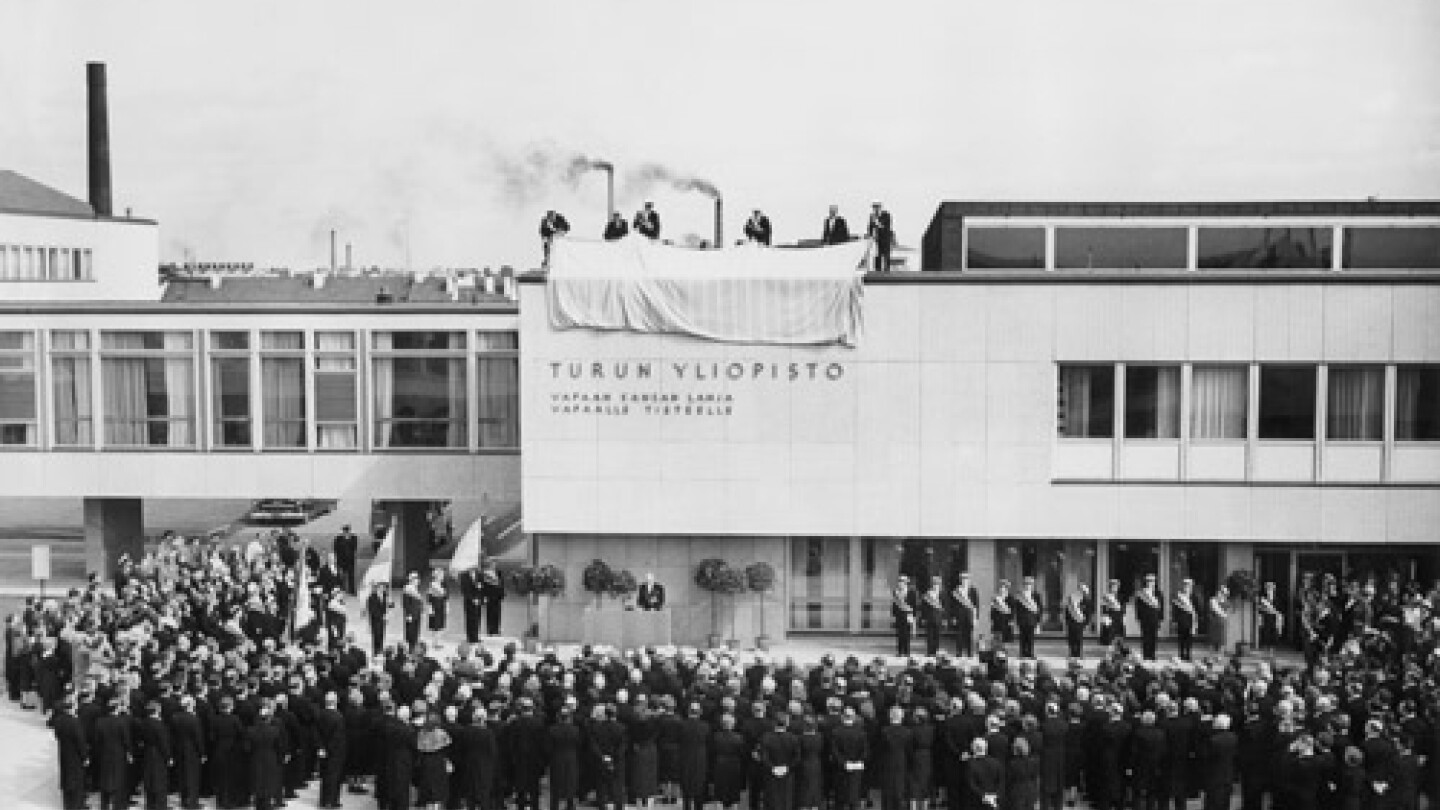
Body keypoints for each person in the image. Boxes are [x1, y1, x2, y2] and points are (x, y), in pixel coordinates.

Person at [50, 696, 89, 810]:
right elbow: (80, 741)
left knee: (66, 779)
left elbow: (57, 735)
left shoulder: (58, 720)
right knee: (77, 781)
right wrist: (85, 756)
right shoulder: (75, 722)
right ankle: (77, 805)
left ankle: (67, 805)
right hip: (75, 756)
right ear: (72, 707)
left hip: (63, 752)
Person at [1012, 576, 1043, 659]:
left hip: (1032, 620)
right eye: (1026, 583)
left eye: (1030, 584)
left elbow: (1039, 609)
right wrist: (1016, 620)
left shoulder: (1036, 595)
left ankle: (1030, 653)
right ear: (1023, 585)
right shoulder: (1019, 595)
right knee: (1022, 637)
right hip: (1022, 619)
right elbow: (1016, 609)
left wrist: (1038, 621)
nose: (1028, 585)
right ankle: (1022, 653)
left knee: (1030, 638)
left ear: (1032, 585)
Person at [950, 572, 980, 658]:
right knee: (959, 635)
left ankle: (970, 653)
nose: (964, 581)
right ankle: (958, 653)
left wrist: (976, 618)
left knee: (969, 635)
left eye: (966, 579)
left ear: (968, 580)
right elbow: (953, 605)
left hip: (970, 616)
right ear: (960, 580)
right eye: (963, 579)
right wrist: (953, 616)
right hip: (959, 616)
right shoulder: (956, 591)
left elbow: (976, 605)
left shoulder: (973, 590)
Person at [1136, 573, 1165, 661]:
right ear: (1146, 582)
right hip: (1145, 619)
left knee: (1153, 637)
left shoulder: (1158, 593)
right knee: (1145, 637)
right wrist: (1139, 618)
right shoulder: (1141, 593)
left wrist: (1160, 618)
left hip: (1154, 619)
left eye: (1152, 581)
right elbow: (1138, 607)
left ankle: (1152, 655)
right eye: (1148, 581)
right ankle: (1145, 655)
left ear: (1155, 582)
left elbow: (1161, 607)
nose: (1150, 583)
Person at [1173, 579, 1199, 662]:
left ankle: (1188, 655)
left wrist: (1196, 621)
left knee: (1189, 639)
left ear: (1191, 587)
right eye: (1185, 586)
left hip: (1190, 621)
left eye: (1189, 586)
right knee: (1181, 639)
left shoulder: (1194, 597)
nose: (1187, 587)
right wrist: (1175, 620)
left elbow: (1198, 609)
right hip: (1181, 621)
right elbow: (1175, 610)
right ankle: (1181, 654)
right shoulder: (1179, 597)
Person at [920, 576, 946, 656]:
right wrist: (923, 618)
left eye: (937, 584)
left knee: (937, 636)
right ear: (932, 584)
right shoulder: (927, 594)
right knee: (929, 636)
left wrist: (944, 619)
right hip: (929, 618)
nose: (935, 585)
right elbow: (923, 607)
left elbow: (945, 608)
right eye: (934, 584)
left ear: (940, 585)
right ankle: (929, 652)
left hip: (939, 618)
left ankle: (936, 652)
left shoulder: (942, 594)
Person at [892, 576, 918, 656]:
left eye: (902, 582)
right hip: (899, 616)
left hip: (908, 615)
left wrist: (913, 617)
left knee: (907, 634)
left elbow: (914, 606)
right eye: (899, 582)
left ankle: (907, 652)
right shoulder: (896, 592)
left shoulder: (911, 593)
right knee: (899, 634)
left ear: (906, 583)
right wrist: (893, 614)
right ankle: (900, 652)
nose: (900, 583)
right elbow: (894, 605)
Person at [1063, 585, 1090, 659]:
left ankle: (1078, 654)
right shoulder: (1071, 599)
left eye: (1084, 591)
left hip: (1080, 622)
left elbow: (1088, 613)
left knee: (1079, 639)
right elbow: (1067, 612)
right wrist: (1067, 622)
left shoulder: (1086, 601)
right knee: (1071, 639)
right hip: (1071, 622)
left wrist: (1086, 623)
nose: (1083, 592)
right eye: (1081, 590)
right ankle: (1071, 653)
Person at [460, 563, 485, 643]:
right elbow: (464, 590)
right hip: (469, 601)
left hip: (478, 600)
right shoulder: (463, 576)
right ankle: (470, 637)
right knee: (469, 619)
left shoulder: (479, 575)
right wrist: (472, 599)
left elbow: (482, 587)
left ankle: (476, 636)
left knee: (477, 618)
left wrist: (482, 598)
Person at [366, 580, 392, 656]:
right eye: (381, 587)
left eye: (383, 587)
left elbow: (389, 606)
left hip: (382, 621)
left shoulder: (385, 596)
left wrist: (390, 603)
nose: (383, 589)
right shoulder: (371, 597)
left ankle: (380, 651)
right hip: (376, 621)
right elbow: (372, 611)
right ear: (377, 588)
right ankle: (375, 653)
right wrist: (382, 616)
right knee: (376, 637)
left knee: (381, 636)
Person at [867, 202, 895, 271]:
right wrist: (870, 235)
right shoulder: (872, 216)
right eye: (874, 208)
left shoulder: (886, 215)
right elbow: (870, 227)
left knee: (886, 254)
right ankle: (877, 270)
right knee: (877, 255)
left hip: (886, 237)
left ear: (880, 208)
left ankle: (887, 270)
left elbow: (887, 227)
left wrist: (877, 223)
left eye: (877, 207)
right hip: (877, 238)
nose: (875, 209)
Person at [480, 560, 506, 635]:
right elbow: (484, 586)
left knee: (497, 614)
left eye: (494, 564)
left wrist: (502, 593)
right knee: (490, 613)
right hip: (490, 596)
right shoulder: (486, 574)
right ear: (489, 565)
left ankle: (497, 629)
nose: (493, 565)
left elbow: (501, 583)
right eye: (492, 564)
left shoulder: (499, 573)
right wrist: (484, 596)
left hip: (497, 597)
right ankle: (490, 630)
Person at [1098, 579, 1125, 649]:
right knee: (1109, 635)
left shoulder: (1121, 597)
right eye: (1113, 586)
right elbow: (1104, 608)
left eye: (1116, 586)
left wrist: (1124, 617)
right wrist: (1105, 618)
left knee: (1119, 635)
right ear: (1110, 587)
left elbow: (1123, 608)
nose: (1114, 588)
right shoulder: (1106, 596)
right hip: (1110, 616)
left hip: (1119, 617)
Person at [1258, 581, 1283, 652]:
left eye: (1271, 588)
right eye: (1268, 588)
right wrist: (1266, 609)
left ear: (1274, 589)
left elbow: (1279, 611)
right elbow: (1260, 609)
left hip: (1275, 621)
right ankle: (1267, 655)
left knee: (1274, 640)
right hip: (1266, 620)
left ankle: (1272, 656)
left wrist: (1279, 625)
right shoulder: (1263, 599)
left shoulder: (1277, 599)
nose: (1269, 590)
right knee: (1266, 639)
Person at [402, 572, 426, 650]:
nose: (418, 581)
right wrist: (408, 614)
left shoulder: (415, 589)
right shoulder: (407, 589)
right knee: (410, 632)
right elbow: (406, 604)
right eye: (416, 579)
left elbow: (418, 602)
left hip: (417, 613)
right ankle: (410, 648)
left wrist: (421, 610)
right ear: (411, 580)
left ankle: (414, 645)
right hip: (411, 615)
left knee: (416, 630)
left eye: (418, 579)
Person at [334, 524, 359, 595]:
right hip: (341, 559)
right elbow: (336, 549)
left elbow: (354, 547)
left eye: (347, 531)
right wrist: (337, 558)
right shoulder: (338, 538)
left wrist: (347, 540)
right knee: (341, 575)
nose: (346, 532)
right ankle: (342, 589)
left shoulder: (354, 538)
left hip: (350, 560)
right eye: (345, 531)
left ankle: (352, 590)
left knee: (351, 575)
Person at [427, 568, 448, 646]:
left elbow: (446, 596)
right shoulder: (432, 585)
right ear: (436, 576)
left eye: (442, 575)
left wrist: (447, 605)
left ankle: (438, 641)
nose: (442, 577)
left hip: (442, 606)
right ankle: (435, 642)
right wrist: (430, 607)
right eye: (440, 575)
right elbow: (429, 597)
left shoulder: (443, 584)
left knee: (441, 625)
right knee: (435, 625)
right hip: (434, 607)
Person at [991, 580, 1015, 644]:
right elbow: (993, 610)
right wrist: (992, 619)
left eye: (1003, 587)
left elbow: (1012, 610)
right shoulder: (996, 598)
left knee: (1006, 641)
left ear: (1006, 589)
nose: (1001, 589)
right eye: (1000, 587)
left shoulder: (1010, 598)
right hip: (997, 622)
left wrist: (1011, 620)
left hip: (1006, 622)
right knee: (997, 641)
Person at [1208, 586, 1230, 652]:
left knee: (1222, 642)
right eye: (1221, 592)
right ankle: (1211, 657)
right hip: (1214, 623)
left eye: (1224, 593)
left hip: (1222, 623)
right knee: (1213, 641)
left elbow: (1227, 613)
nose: (1222, 594)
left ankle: (1219, 657)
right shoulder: (1213, 601)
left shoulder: (1226, 603)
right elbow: (1211, 610)